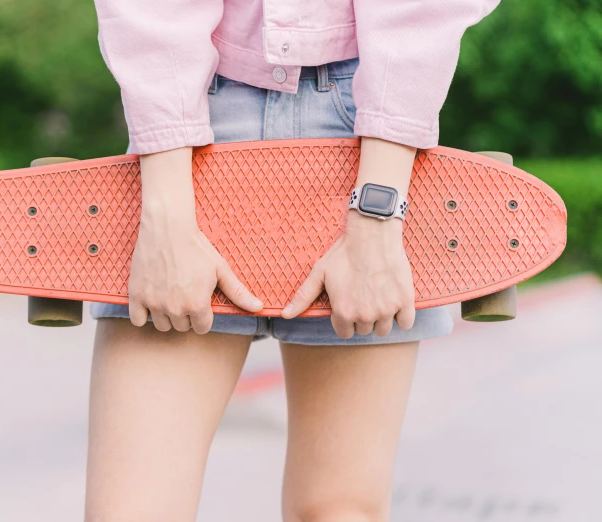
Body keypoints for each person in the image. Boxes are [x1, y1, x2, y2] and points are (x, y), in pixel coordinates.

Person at [87, 0, 499, 520]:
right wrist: (167, 217)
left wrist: (376, 215)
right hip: (191, 119)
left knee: (338, 510)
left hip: (366, 128)